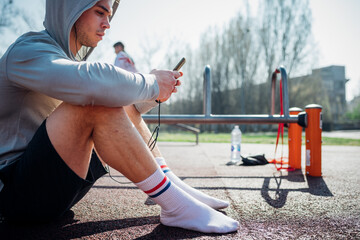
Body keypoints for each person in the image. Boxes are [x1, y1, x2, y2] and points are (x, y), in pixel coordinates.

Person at [0, 0, 239, 233]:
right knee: (95, 100)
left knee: (115, 101)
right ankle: (176, 206)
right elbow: (95, 82)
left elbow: (109, 95)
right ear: (71, 9)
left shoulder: (66, 58)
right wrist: (153, 83)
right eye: (99, 12)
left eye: (109, 15)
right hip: (15, 196)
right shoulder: (26, 50)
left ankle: (173, 187)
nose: (107, 23)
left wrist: (153, 95)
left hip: (53, 185)